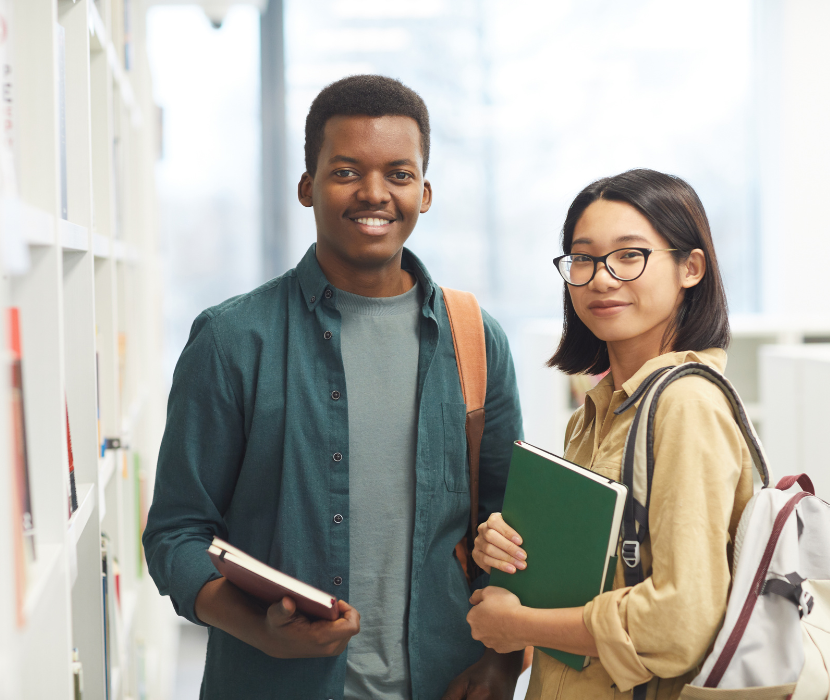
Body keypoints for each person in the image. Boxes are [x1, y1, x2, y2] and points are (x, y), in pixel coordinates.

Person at [142, 75, 525, 700]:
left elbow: (507, 526)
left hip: (445, 682)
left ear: (425, 193)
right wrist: (258, 629)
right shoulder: (232, 339)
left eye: (399, 174)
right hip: (271, 684)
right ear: (306, 186)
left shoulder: (475, 340)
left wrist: (504, 662)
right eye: (347, 171)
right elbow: (176, 533)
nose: (374, 193)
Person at [466, 169, 755, 699]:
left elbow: (680, 622)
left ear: (690, 267)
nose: (601, 278)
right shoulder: (596, 411)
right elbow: (595, 577)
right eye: (583, 258)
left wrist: (520, 626)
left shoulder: (686, 405)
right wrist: (510, 552)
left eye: (630, 255)